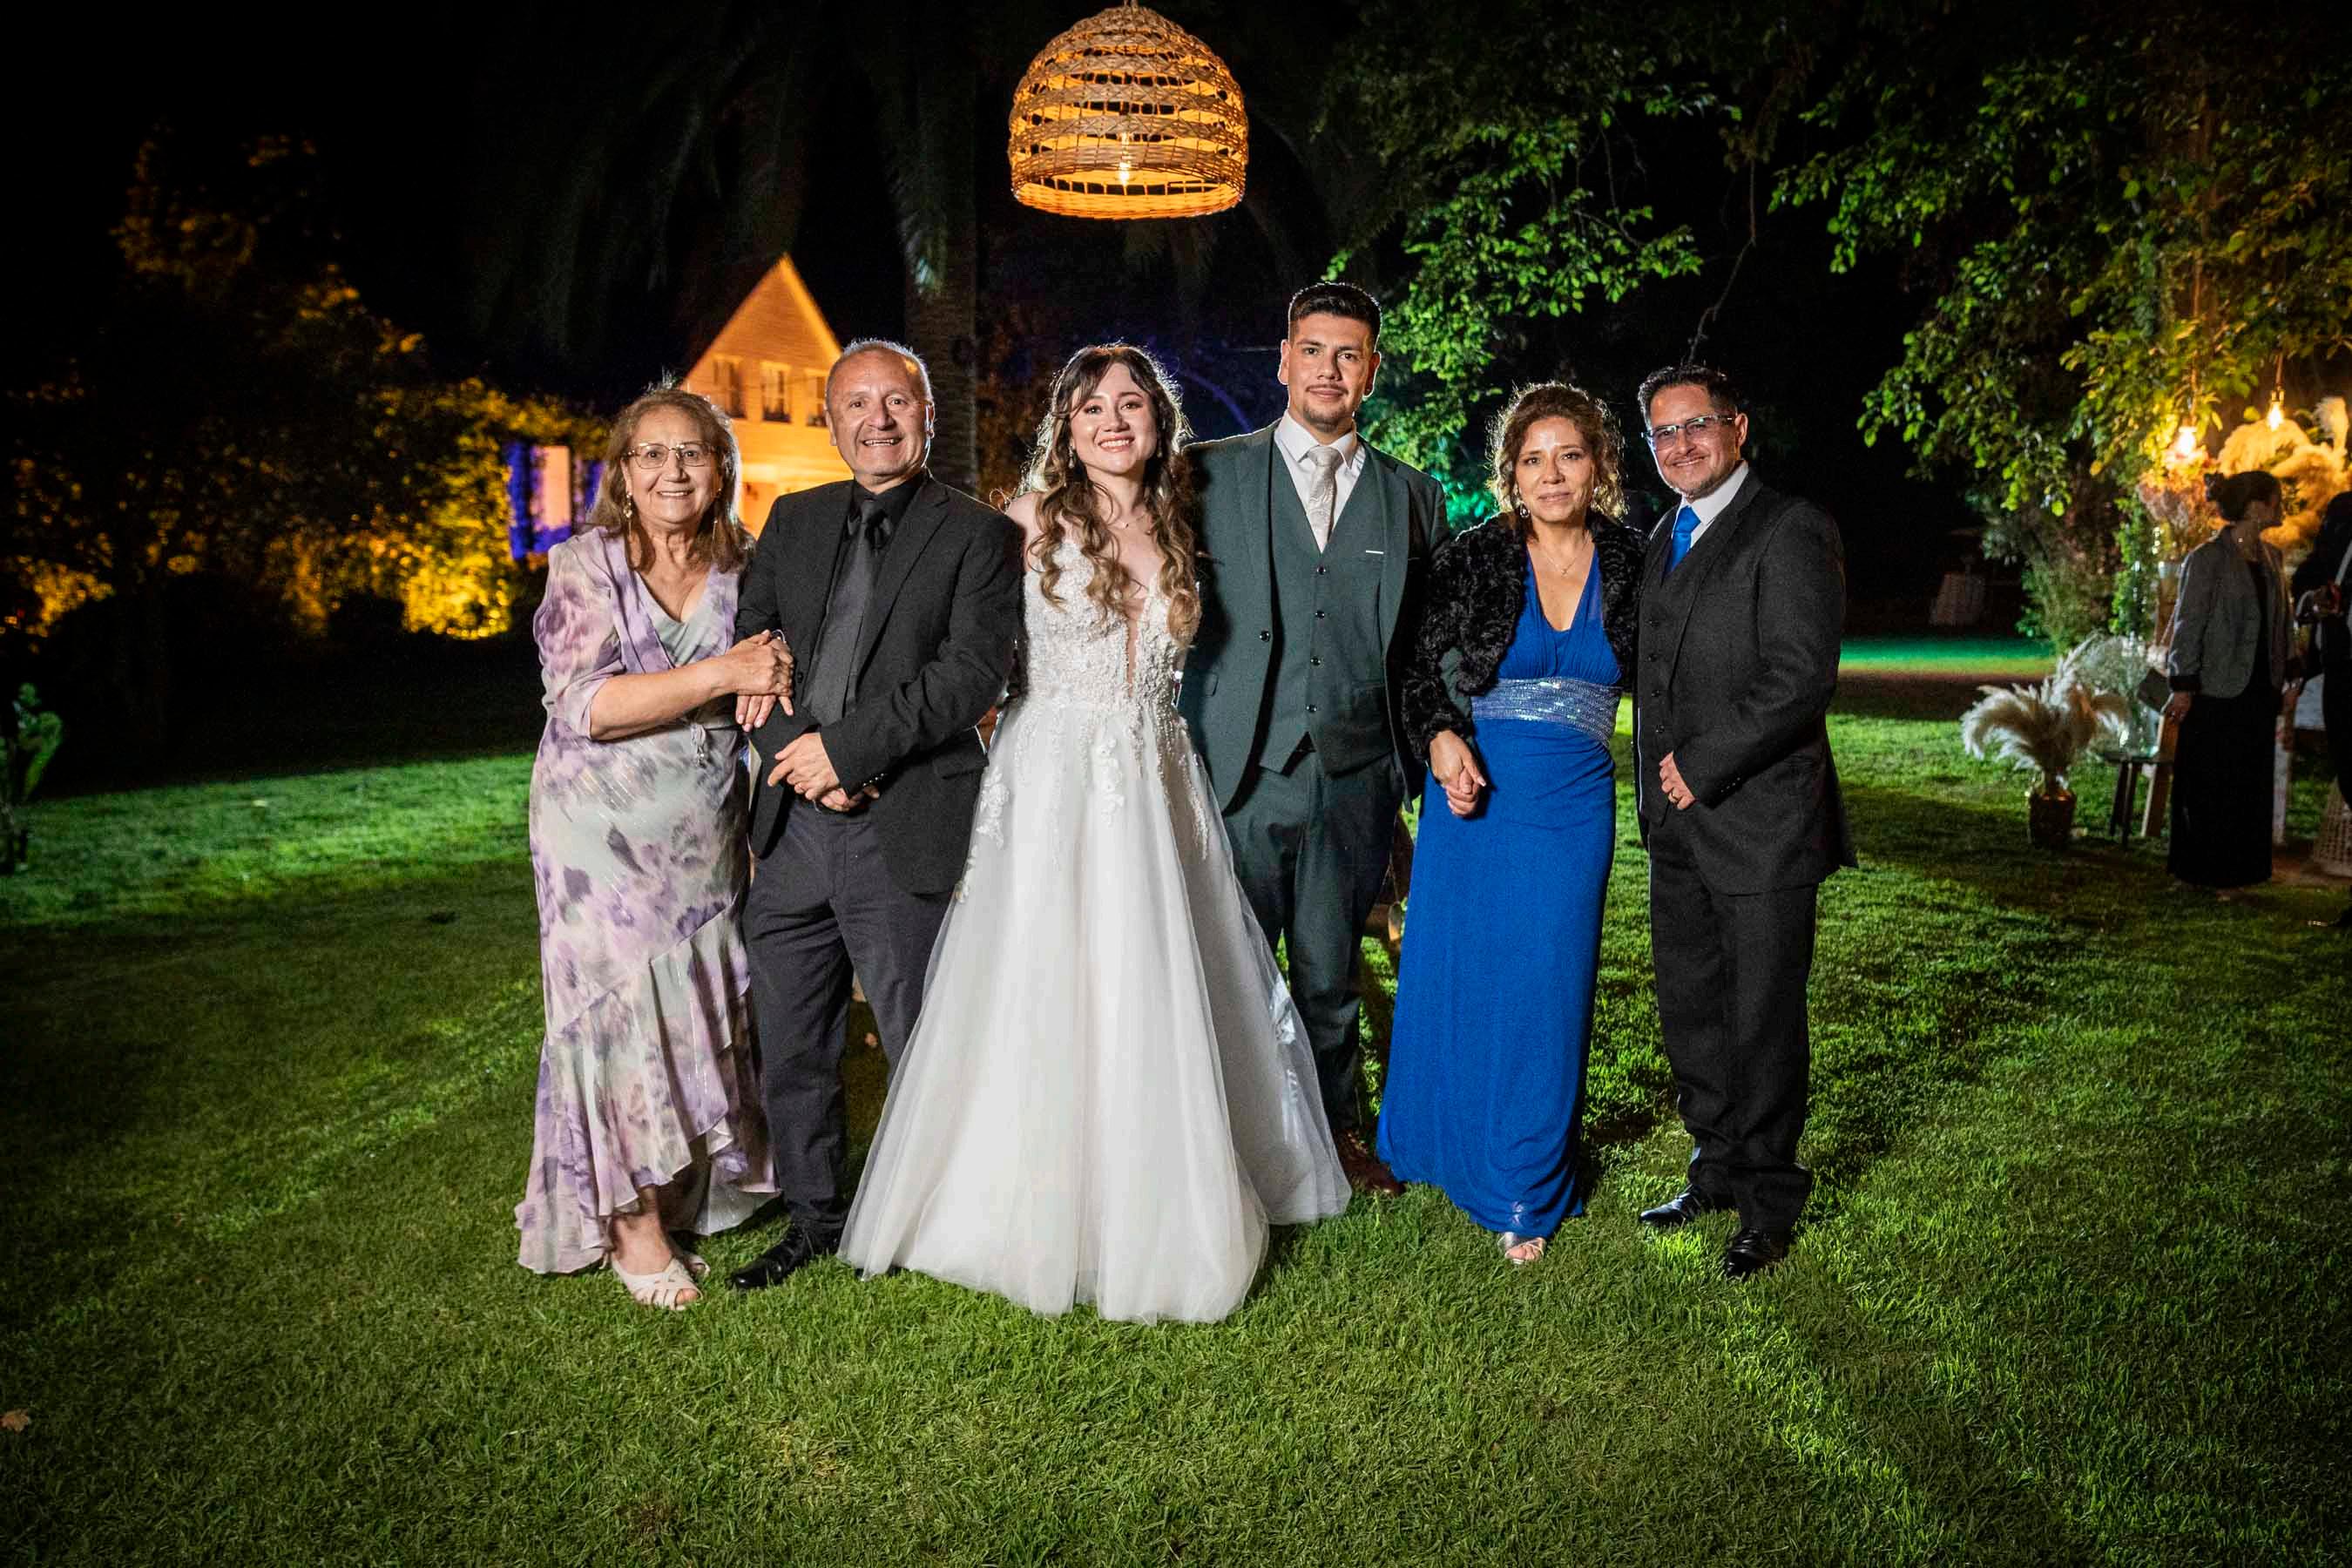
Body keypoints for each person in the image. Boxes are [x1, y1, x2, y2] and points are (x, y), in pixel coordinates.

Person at [838, 346, 1348, 1322]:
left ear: (1159, 422)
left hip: (1156, 770)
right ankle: (1027, 1202)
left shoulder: (1179, 520)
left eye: (1131, 405)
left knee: (1151, 970)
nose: (1113, 421)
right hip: (1053, 775)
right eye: (1091, 409)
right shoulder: (1026, 520)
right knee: (1049, 970)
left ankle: (1155, 1194)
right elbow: (956, 647)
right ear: (1066, 431)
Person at [725, 341, 1024, 1293]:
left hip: (905, 818)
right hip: (794, 827)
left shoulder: (978, 535)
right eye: (856, 403)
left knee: (919, 1035)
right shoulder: (794, 520)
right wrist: (802, 762)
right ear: (831, 420)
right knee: (792, 1039)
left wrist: (849, 756)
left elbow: (971, 675)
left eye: (897, 401)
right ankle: (815, 1215)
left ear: (927, 415)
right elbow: (752, 653)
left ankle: (944, 1216)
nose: (877, 419)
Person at [516, 386, 792, 1309]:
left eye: (693, 453)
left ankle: (676, 1190)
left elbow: (776, 670)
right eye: (652, 455)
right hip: (597, 840)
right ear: (624, 475)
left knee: (695, 1012)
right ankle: (632, 1231)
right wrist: (725, 672)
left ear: (721, 470)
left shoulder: (748, 566)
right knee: (616, 1018)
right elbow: (585, 706)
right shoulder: (583, 565)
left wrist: (770, 676)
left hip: (705, 829)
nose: (673, 471)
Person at [1176, 283, 1443, 1195]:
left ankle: (1337, 1136)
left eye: (1349, 354)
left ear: (1372, 371)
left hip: (1355, 773)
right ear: (1286, 360)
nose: (1330, 369)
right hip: (1238, 768)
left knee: (1330, 975)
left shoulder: (1413, 496)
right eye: (1314, 350)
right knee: (1230, 968)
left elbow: (1426, 644)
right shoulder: (1205, 475)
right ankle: (1231, 1147)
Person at [1381, 383, 1645, 1265]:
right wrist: (1442, 739)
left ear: (1598, 465)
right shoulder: (1474, 557)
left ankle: (1524, 1181)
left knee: (1548, 981)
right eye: (1534, 459)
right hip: (1476, 794)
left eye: (1569, 455)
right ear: (1513, 474)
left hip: (1573, 801)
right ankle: (1438, 1145)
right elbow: (1418, 669)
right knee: (1462, 971)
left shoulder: (1636, 561)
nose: (1552, 474)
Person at [1631, 364, 1853, 1281]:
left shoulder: (1789, 528)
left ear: (1738, 427)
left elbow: (1799, 676)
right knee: (1693, 1010)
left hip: (1761, 826)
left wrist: (1700, 765)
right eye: (1664, 433)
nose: (1681, 445)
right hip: (1677, 830)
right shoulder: (1665, 534)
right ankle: (1714, 1168)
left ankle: (1768, 1201)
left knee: (1761, 1021)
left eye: (1698, 425)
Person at [2164, 470, 2295, 889]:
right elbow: (2188, 623)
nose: (2280, 507)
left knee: (2247, 781)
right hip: (2215, 688)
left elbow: (2282, 622)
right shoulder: (2207, 559)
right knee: (2211, 780)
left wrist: (2289, 676)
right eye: (2275, 500)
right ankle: (2201, 869)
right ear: (2255, 508)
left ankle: (2241, 870)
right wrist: (2184, 684)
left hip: (2258, 689)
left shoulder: (2273, 559)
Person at [2290, 490, 2352, 928]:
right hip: (2342, 666)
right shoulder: (2344, 512)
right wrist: (2312, 601)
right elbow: (2310, 578)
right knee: (2350, 775)